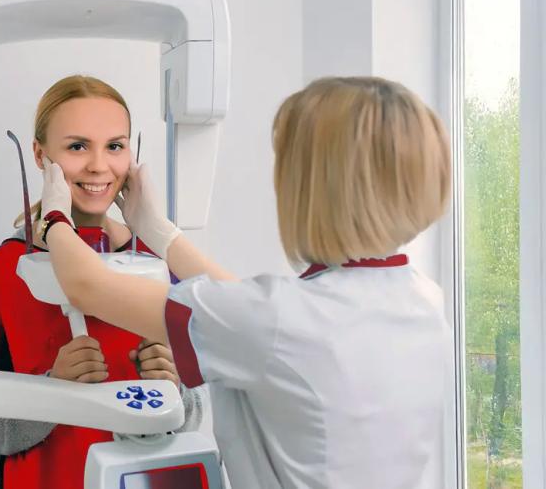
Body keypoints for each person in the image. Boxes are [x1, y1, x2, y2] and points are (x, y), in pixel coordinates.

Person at [40, 76, 452, 488]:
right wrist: (159, 232)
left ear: (312, 191)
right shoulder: (426, 301)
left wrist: (54, 219)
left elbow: (86, 286)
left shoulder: (275, 320)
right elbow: (249, 312)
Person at [0, 75, 203, 489]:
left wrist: (173, 387)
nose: (98, 165)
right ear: (40, 155)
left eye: (114, 146)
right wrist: (53, 389)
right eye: (77, 146)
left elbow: (194, 416)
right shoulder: (3, 273)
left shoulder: (160, 263)